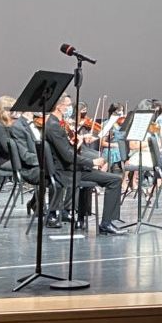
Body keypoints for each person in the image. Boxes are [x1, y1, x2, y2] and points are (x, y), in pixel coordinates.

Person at [44, 94, 124, 235]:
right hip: (67, 173)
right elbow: (68, 155)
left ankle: (82, 218)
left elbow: (69, 147)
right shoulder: (54, 126)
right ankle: (106, 223)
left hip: (71, 169)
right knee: (115, 179)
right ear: (59, 106)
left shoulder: (56, 123)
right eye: (68, 105)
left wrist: (80, 139)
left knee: (109, 177)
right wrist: (92, 162)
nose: (70, 108)